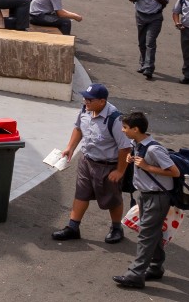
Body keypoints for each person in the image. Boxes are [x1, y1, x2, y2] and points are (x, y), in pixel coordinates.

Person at [50, 83, 133, 243]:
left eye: (89, 99)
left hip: (108, 166)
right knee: (81, 193)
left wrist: (120, 171)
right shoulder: (85, 110)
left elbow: (125, 148)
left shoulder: (115, 119)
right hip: (87, 161)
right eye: (85, 98)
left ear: (102, 102)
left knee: (112, 198)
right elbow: (78, 128)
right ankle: (73, 227)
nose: (85, 101)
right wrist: (70, 148)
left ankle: (116, 228)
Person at [113, 112, 181, 290]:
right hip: (145, 195)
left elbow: (175, 172)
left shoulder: (153, 149)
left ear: (136, 129)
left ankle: (136, 274)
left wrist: (146, 166)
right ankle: (155, 266)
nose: (123, 130)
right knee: (153, 232)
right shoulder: (137, 144)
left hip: (157, 197)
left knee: (146, 234)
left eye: (125, 128)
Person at [127, 0, 171, 79]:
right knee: (142, 42)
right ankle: (143, 64)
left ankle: (149, 68)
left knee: (150, 42)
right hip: (140, 16)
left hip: (154, 17)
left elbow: (166, 1)